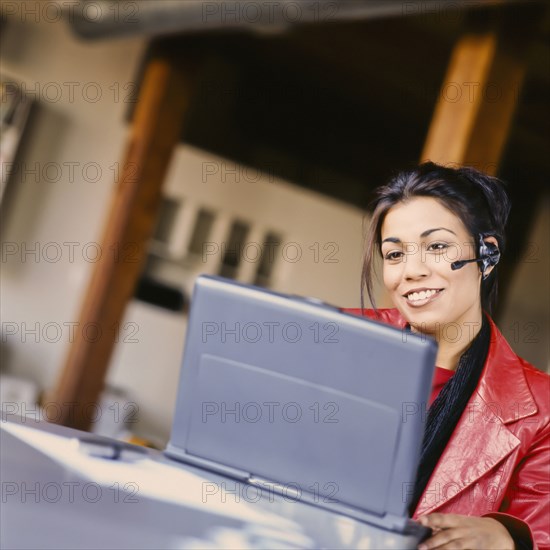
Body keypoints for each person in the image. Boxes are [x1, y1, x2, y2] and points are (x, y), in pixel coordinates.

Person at [344, 163, 549, 550]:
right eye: (394, 254)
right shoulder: (335, 337)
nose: (412, 270)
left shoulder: (542, 409)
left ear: (487, 255)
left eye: (436, 247)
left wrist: (510, 540)